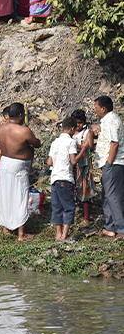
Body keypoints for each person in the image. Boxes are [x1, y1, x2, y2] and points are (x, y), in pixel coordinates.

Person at [0, 102, 41, 241]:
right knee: (20, 197)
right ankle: (21, 234)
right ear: (21, 115)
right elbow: (36, 144)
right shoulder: (24, 131)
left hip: (5, 162)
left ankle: (6, 227)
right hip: (18, 166)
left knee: (6, 195)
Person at [48, 117, 88, 242]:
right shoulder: (70, 142)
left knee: (57, 207)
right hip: (66, 178)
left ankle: (58, 235)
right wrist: (83, 150)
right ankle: (65, 236)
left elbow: (49, 162)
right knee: (69, 207)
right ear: (72, 129)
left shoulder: (55, 142)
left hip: (54, 179)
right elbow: (73, 161)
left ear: (61, 128)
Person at [91, 96, 124, 238]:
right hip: (112, 164)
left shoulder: (110, 121)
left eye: (96, 108)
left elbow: (114, 143)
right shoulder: (108, 121)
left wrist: (108, 163)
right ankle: (109, 227)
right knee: (108, 195)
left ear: (103, 108)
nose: (95, 110)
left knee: (112, 196)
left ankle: (121, 229)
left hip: (113, 163)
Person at [71, 109, 96, 224]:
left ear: (84, 122)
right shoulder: (70, 132)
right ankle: (75, 212)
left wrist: (80, 146)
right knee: (74, 188)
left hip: (83, 165)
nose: (77, 125)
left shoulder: (86, 132)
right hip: (72, 164)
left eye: (80, 123)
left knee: (85, 187)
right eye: (75, 123)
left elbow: (90, 146)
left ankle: (86, 217)